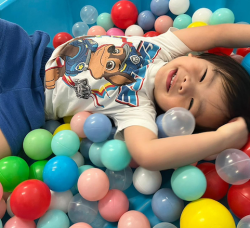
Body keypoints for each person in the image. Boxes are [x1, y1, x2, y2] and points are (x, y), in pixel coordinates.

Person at [0, 18, 249, 171]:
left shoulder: (139, 108)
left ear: (179, 120)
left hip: (25, 108)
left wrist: (222, 138)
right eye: (204, 76)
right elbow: (218, 33)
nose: (187, 85)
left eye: (192, 103)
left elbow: (148, 154)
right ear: (197, 54)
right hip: (27, 52)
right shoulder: (164, 47)